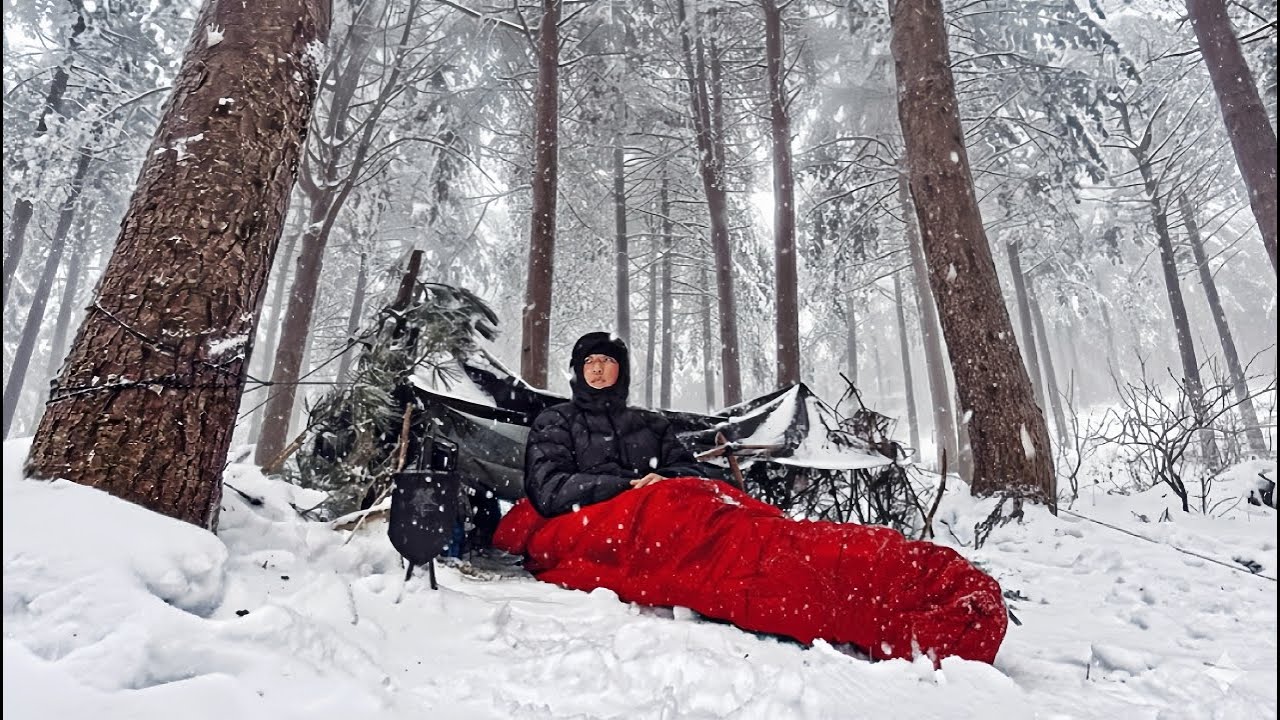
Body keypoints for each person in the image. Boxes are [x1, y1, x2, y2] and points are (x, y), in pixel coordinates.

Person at [523, 331, 709, 517]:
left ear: (622, 369)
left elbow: (692, 471)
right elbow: (549, 488)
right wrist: (628, 486)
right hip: (586, 519)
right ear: (578, 370)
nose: (597, 368)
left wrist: (667, 479)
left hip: (658, 509)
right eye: (588, 361)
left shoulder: (653, 424)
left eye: (606, 360)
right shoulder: (556, 420)